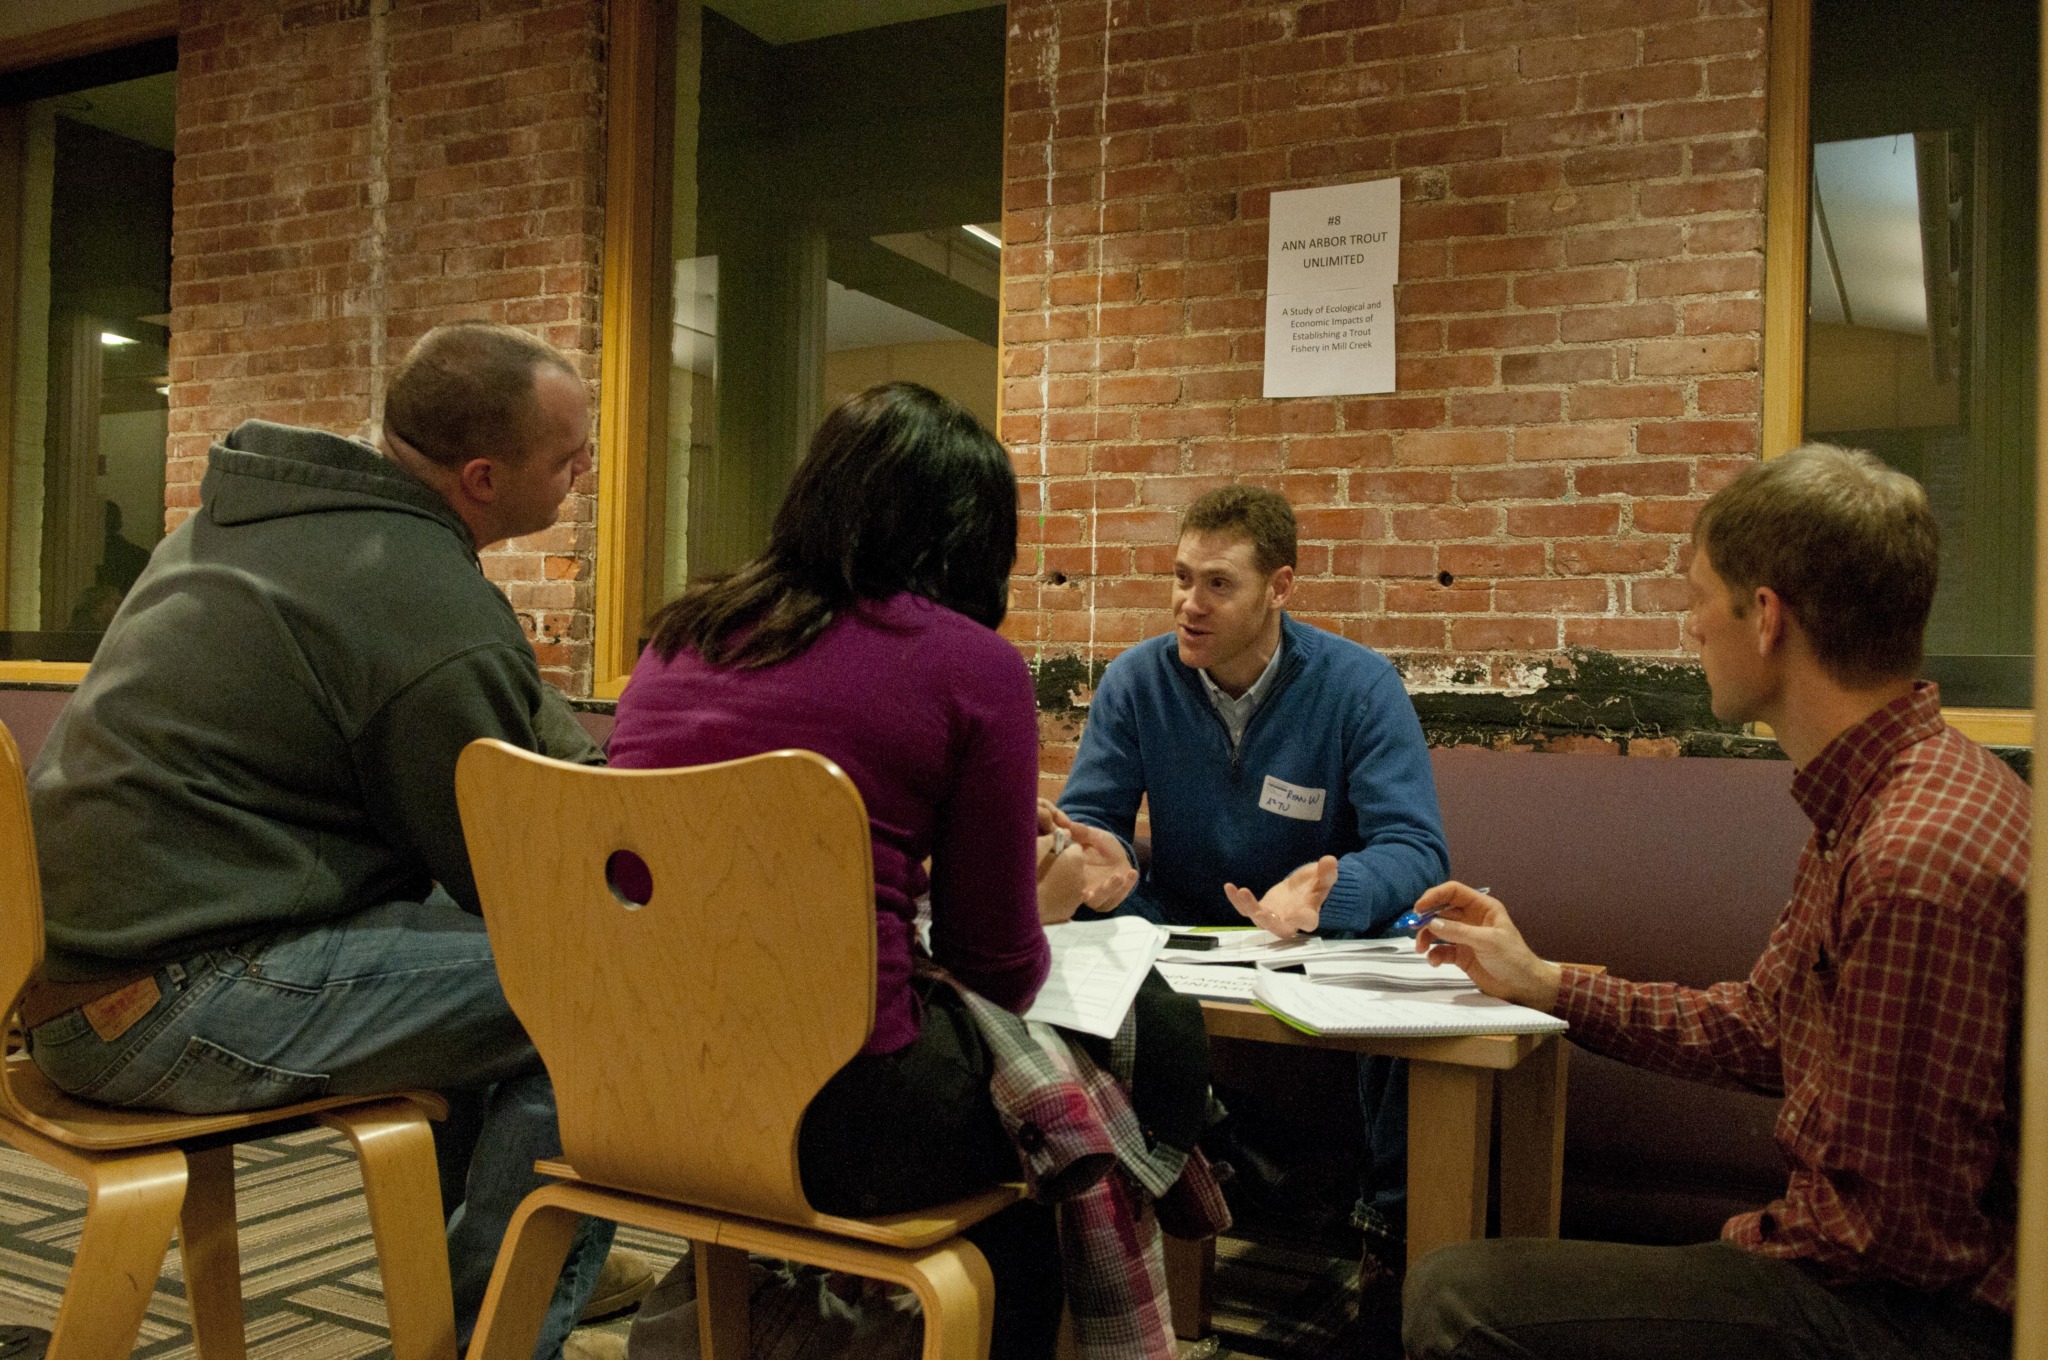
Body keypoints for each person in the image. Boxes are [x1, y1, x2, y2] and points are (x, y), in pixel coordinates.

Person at [24, 322, 633, 1360]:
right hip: (166, 1002)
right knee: (605, 993)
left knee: (490, 966)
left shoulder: (260, 521)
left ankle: (457, 1281)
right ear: (483, 477)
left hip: (68, 979)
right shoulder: (425, 606)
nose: (584, 473)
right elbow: (531, 859)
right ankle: (492, 1332)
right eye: (568, 458)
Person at [606, 382, 1211, 1360]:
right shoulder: (970, 665)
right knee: (1128, 1062)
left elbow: (737, 881)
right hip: (842, 1117)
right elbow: (994, 963)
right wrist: (1043, 895)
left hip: (629, 1086)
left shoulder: (679, 637)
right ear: (976, 541)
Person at [1403, 444, 2023, 1360]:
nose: (1689, 629)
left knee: (1458, 1299)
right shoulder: (1888, 788)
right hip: (1893, 1278)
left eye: (1697, 597)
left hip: (1923, 1317)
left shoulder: (1911, 857)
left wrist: (1729, 1249)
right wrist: (1542, 983)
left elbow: (1890, 1240)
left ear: (1765, 616)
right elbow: (1770, 1027)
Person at [1055, 485, 1449, 1275]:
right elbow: (1090, 832)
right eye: (1180, 577)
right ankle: (1134, 1224)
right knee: (1066, 979)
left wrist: (1328, 895)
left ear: (1281, 587)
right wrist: (1097, 876)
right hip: (1182, 930)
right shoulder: (1138, 682)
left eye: (1218, 584)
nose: (1188, 605)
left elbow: (1416, 847)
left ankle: (1389, 1248)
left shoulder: (1357, 686)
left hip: (1321, 941)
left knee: (1415, 1014)